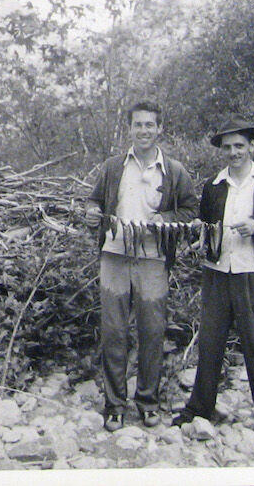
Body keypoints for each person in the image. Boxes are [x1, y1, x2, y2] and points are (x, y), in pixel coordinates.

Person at [173, 120, 254, 444]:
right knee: (210, 344)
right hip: (217, 272)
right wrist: (200, 236)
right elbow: (205, 226)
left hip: (253, 273)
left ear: (252, 147)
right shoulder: (214, 186)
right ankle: (199, 410)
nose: (233, 152)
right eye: (227, 147)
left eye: (239, 146)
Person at [84, 101, 198, 430]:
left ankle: (147, 401)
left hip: (154, 259)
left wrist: (164, 219)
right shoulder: (113, 166)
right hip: (115, 255)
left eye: (150, 125)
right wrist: (92, 213)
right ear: (130, 129)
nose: (144, 131)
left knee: (152, 332)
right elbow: (93, 200)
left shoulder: (174, 170)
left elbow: (191, 210)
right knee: (114, 331)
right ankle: (115, 405)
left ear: (160, 128)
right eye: (138, 125)